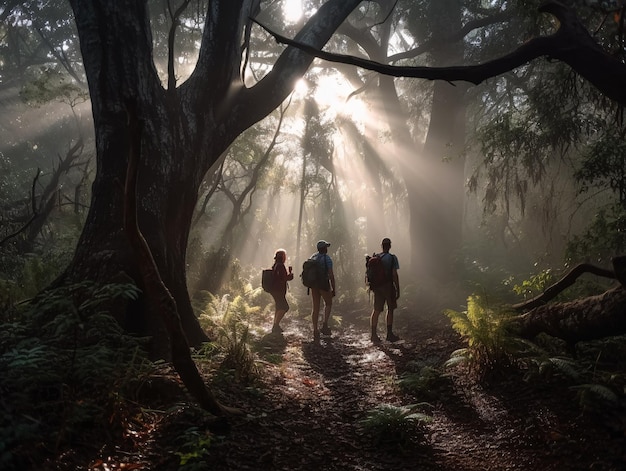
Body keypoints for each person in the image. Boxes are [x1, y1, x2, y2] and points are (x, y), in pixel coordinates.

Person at [370, 237, 400, 343]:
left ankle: (373, 335)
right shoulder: (392, 258)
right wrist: (398, 288)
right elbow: (394, 274)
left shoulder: (376, 257)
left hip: (377, 287)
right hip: (388, 286)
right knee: (390, 309)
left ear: (382, 246)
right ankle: (389, 334)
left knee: (376, 310)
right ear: (390, 246)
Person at [309, 240, 336, 341]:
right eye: (326, 247)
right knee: (328, 303)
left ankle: (315, 330)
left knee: (315, 307)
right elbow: (331, 275)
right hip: (323, 284)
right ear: (324, 249)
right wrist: (334, 288)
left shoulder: (313, 257)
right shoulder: (327, 259)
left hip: (313, 285)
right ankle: (324, 325)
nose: (327, 249)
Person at [270, 248, 294, 334]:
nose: (285, 258)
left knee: (279, 307)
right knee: (285, 307)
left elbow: (279, 277)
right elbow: (284, 278)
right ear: (282, 257)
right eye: (284, 256)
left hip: (275, 290)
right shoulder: (280, 265)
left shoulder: (276, 265)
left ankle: (275, 326)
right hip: (278, 290)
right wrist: (290, 275)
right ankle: (276, 325)